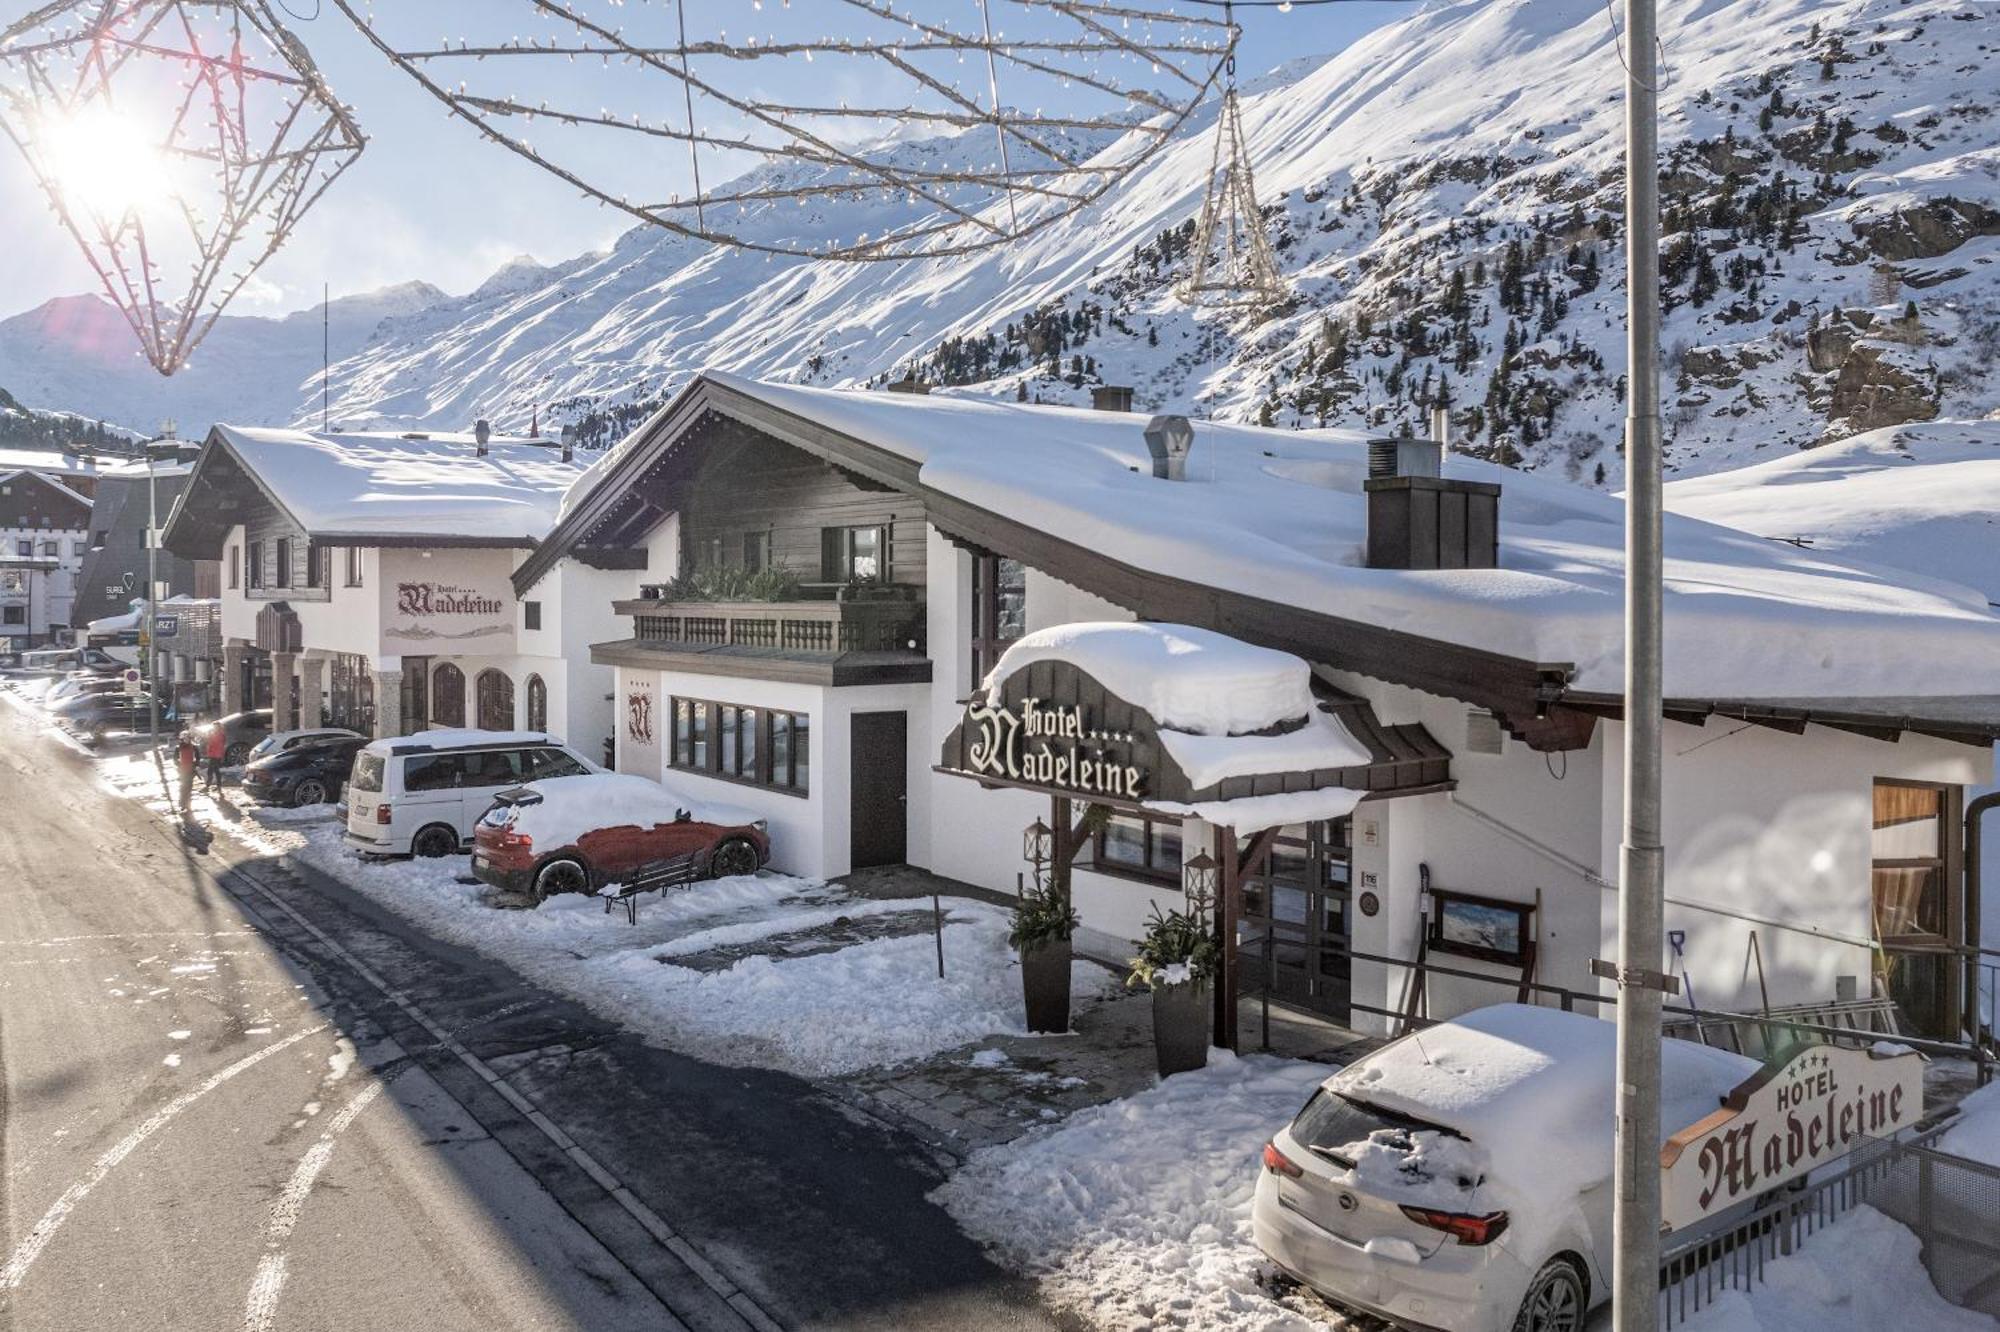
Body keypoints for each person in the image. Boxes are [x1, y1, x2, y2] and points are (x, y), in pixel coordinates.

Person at [174, 729, 197, 814]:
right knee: (183, 787)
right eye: (185, 738)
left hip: (190, 770)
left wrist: (195, 765)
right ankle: (182, 804)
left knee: (189, 788)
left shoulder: (194, 747)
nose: (187, 740)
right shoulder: (178, 747)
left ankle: (188, 804)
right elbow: (175, 759)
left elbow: (197, 757)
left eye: (188, 738)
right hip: (182, 771)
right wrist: (179, 765)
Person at [202, 720, 227, 794]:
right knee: (216, 771)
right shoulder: (215, 734)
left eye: (216, 727)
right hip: (214, 754)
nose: (214, 728)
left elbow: (217, 745)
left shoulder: (220, 735)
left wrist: (209, 738)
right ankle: (218, 786)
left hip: (216, 755)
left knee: (211, 770)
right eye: (214, 727)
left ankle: (207, 786)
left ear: (218, 727)